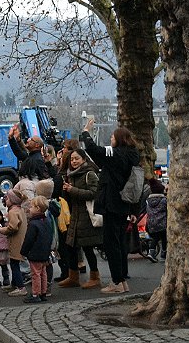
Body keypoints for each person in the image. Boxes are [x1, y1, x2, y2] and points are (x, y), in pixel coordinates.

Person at [79, 124, 140, 293]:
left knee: (111, 243)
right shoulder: (133, 155)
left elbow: (93, 149)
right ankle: (122, 280)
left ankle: (117, 282)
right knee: (119, 242)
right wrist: (134, 210)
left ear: (119, 139)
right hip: (124, 203)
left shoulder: (116, 153)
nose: (110, 140)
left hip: (112, 203)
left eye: (112, 137)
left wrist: (86, 133)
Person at [57, 148, 103, 289]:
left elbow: (94, 193)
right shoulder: (71, 175)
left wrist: (73, 190)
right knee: (71, 246)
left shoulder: (90, 173)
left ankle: (95, 277)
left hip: (87, 216)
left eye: (77, 158)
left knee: (88, 248)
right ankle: (73, 276)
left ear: (84, 159)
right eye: (72, 159)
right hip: (75, 215)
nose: (74, 161)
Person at [20, 195, 53, 303]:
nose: (29, 209)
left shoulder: (33, 224)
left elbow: (29, 240)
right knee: (43, 273)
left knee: (36, 274)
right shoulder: (46, 221)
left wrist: (24, 251)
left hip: (35, 253)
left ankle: (35, 294)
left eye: (31, 207)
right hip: (44, 252)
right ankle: (43, 292)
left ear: (38, 208)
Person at [0, 188, 29, 296]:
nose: (5, 200)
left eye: (7, 198)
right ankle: (14, 284)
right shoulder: (20, 209)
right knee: (15, 263)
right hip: (22, 240)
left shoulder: (13, 212)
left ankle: (21, 287)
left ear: (12, 200)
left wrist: (2, 230)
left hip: (16, 242)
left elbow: (13, 227)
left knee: (14, 264)